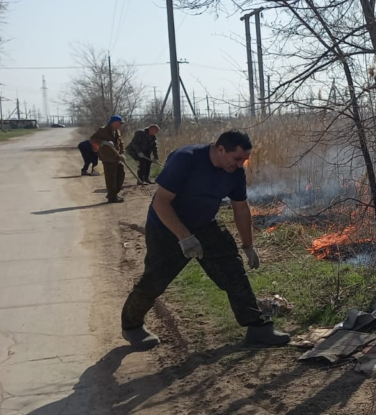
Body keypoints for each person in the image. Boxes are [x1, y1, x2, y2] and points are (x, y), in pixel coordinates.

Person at [120, 129, 289, 349]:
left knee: (233, 272)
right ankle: (132, 327)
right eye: (238, 158)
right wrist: (184, 237)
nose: (240, 164)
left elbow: (240, 208)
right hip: (167, 227)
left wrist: (248, 245)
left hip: (206, 224)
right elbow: (160, 203)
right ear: (220, 149)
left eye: (245, 160)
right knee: (155, 280)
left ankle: (257, 329)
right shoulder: (186, 159)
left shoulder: (235, 172)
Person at [90, 115, 126, 203]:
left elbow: (121, 143)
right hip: (108, 158)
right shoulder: (102, 130)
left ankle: (115, 193)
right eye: (119, 123)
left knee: (121, 174)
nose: (120, 125)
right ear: (113, 122)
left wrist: (121, 154)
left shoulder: (117, 131)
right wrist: (103, 142)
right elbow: (92, 139)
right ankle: (112, 197)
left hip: (117, 157)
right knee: (111, 178)